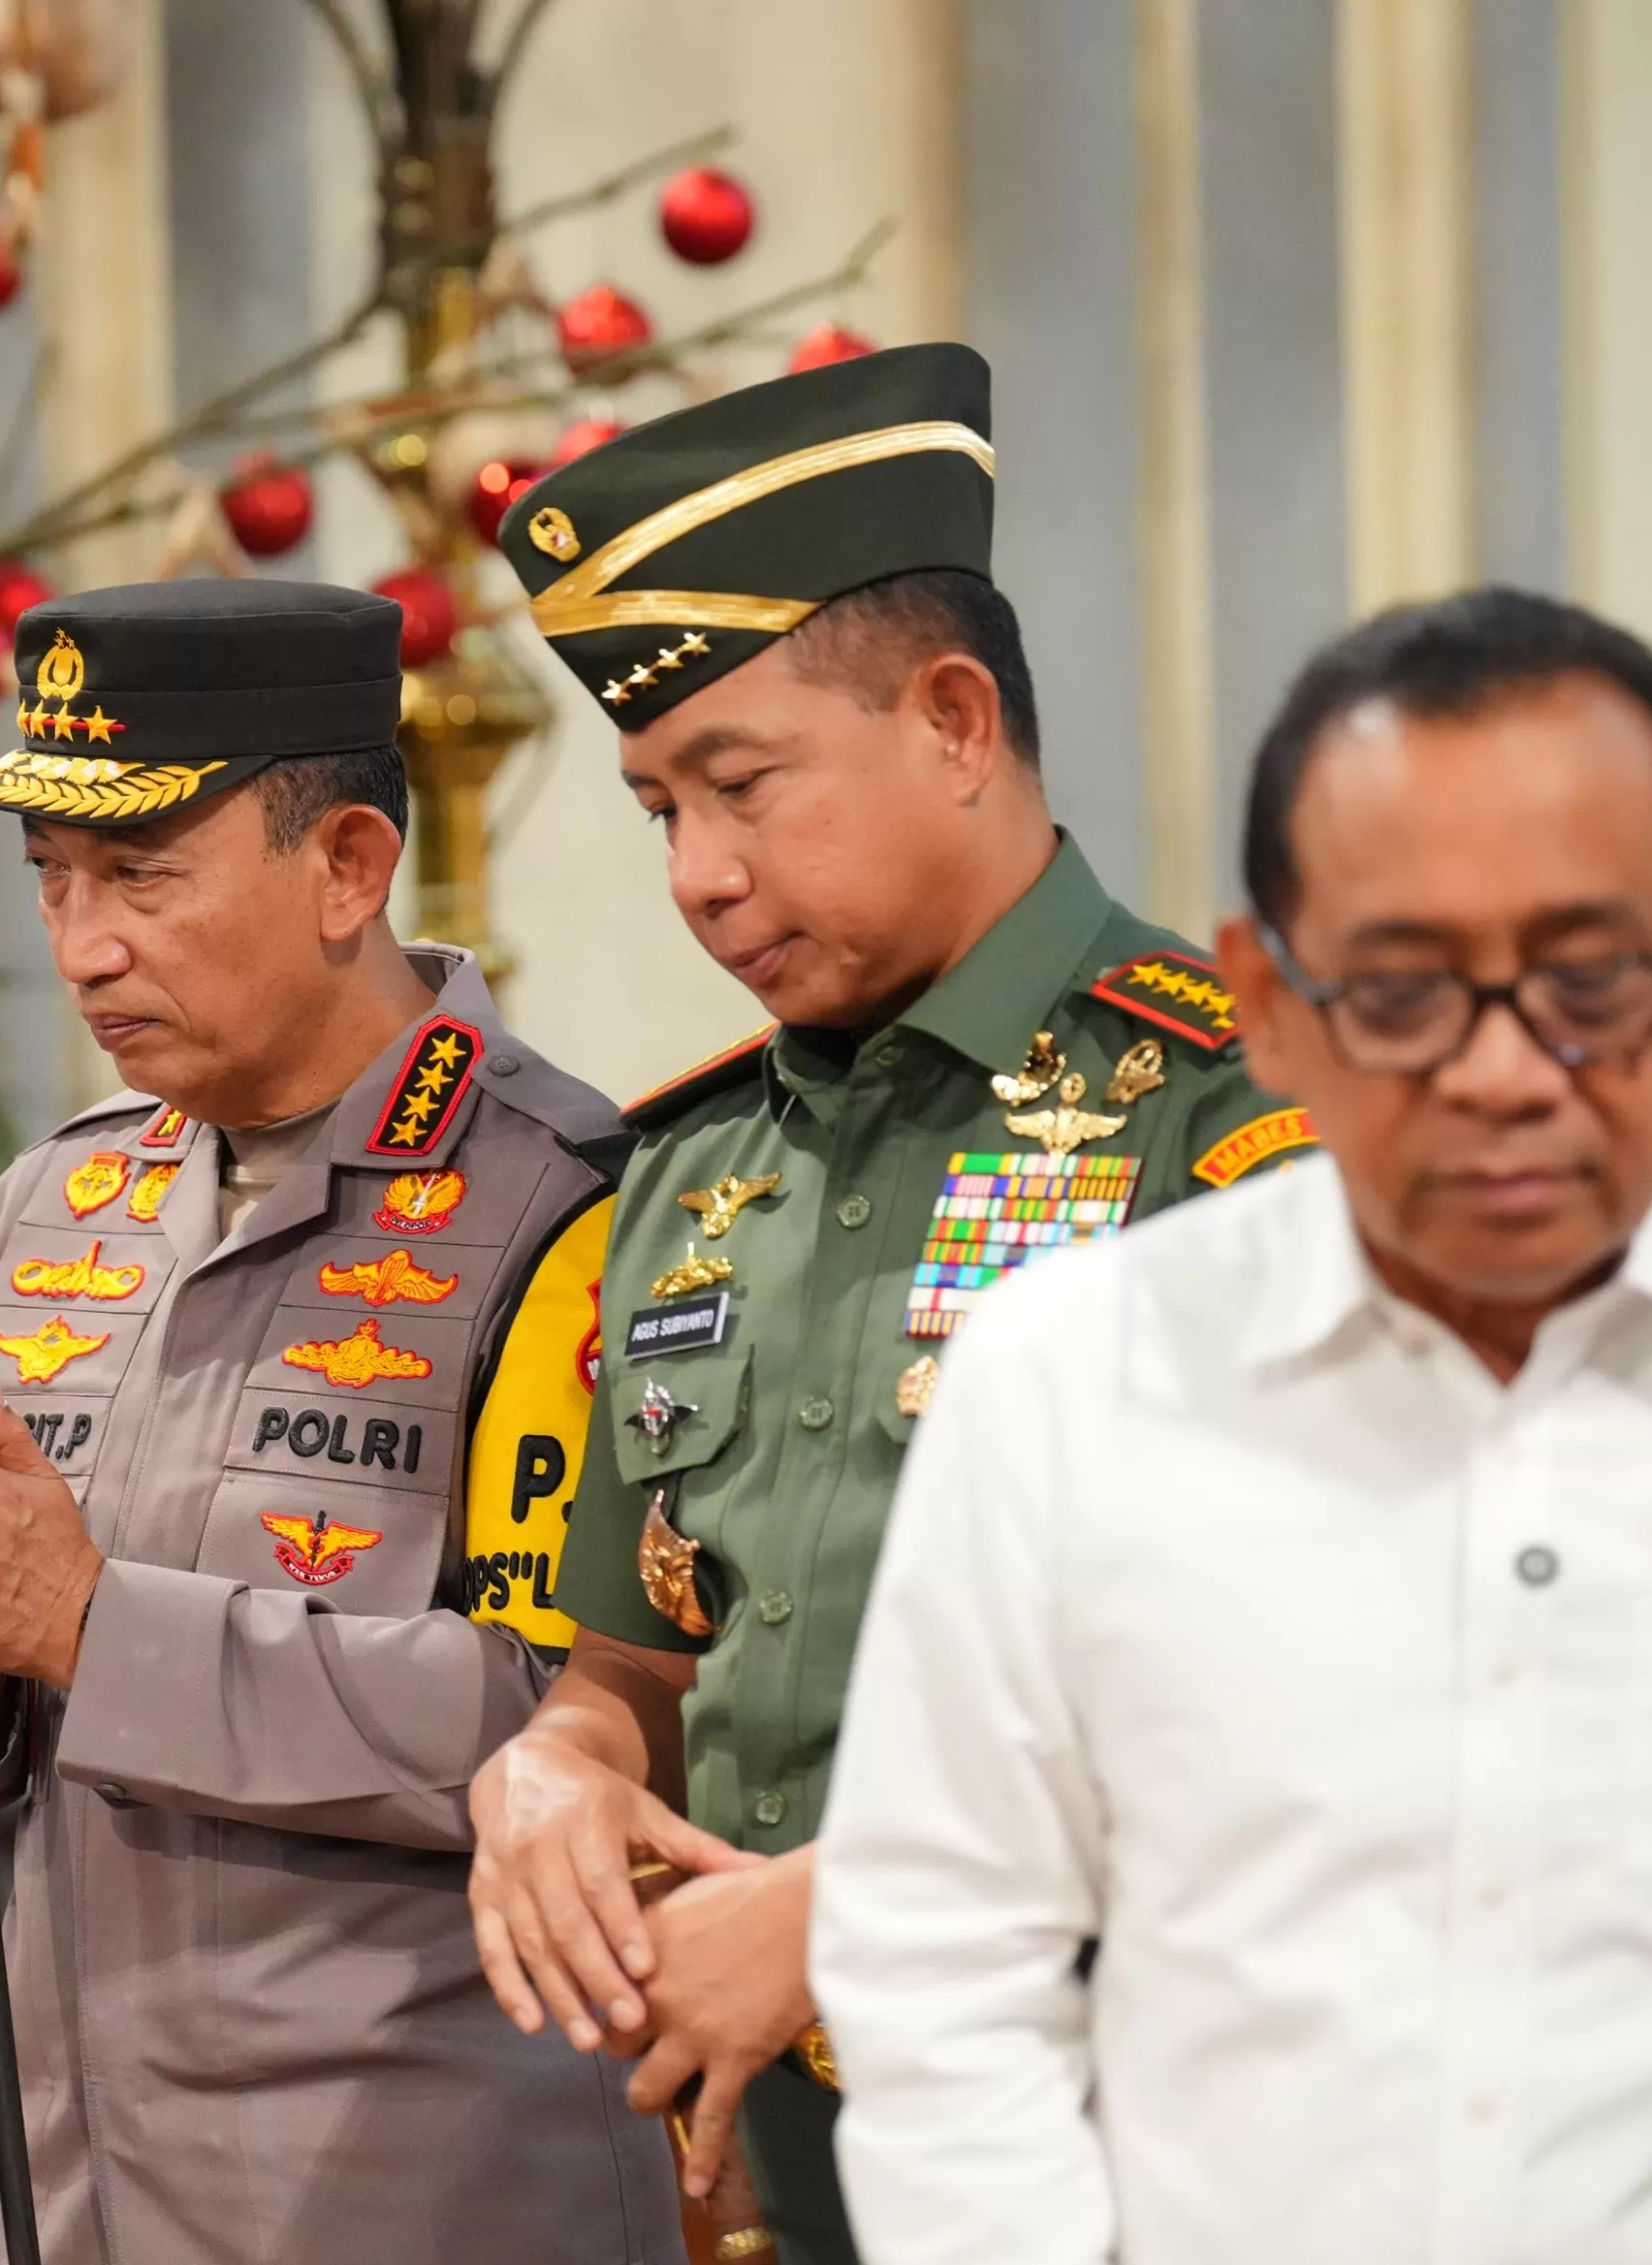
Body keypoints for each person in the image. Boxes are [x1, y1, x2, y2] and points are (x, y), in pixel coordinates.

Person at [809, 588, 1652, 2262]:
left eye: (1587, 980)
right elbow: (945, 1957)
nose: (1506, 1074)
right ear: (1262, 1002)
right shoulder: (1071, 1382)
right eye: (1407, 993)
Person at [467, 343, 1312, 2256]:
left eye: (743, 786)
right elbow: (638, 1668)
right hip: (781, 2155)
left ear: (953, 720)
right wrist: (553, 1771)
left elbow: (1307, 1690)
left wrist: (852, 1908)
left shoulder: (1239, 1122)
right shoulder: (689, 1181)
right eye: (656, 809)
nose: (698, 872)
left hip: (1150, 2122)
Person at [0, 577, 687, 2265]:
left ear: (346, 866)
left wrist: (83, 1623)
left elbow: (578, 1717)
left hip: (419, 2191)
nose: (82, 946)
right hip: (62, 2179)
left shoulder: (577, 1208)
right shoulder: (47, 1206)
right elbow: (3, 1749)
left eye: (142, 876)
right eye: (50, 881)